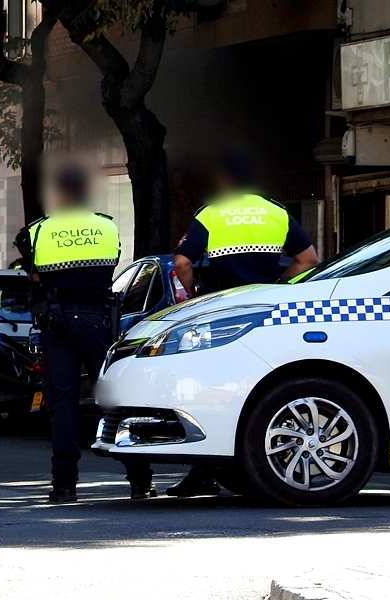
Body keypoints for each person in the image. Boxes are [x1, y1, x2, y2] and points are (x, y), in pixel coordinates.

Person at [167, 145, 319, 497]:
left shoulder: (212, 214)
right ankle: (268, 463)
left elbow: (182, 263)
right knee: (265, 387)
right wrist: (279, 287)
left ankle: (204, 471)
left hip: (223, 313)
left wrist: (194, 298)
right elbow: (308, 259)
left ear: (224, 178)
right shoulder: (277, 213)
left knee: (213, 391)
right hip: (266, 313)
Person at [20, 160, 154, 503]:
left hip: (57, 324)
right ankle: (141, 480)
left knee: (62, 406)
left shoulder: (38, 231)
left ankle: (64, 486)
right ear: (85, 191)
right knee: (117, 400)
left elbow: (34, 277)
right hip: (97, 321)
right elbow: (111, 267)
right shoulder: (107, 228)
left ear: (60, 193)